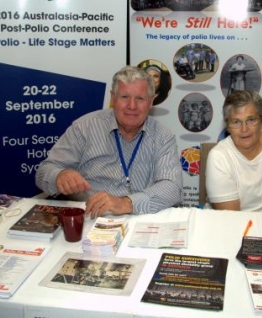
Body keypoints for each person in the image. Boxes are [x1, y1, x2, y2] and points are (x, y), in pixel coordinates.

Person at [35, 66, 182, 218]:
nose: (132, 106)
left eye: (140, 98)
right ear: (113, 98)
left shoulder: (163, 136)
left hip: (138, 218)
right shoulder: (84, 127)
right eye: (124, 97)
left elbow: (172, 187)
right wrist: (59, 175)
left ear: (151, 101)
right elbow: (43, 172)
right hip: (88, 217)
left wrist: (127, 203)